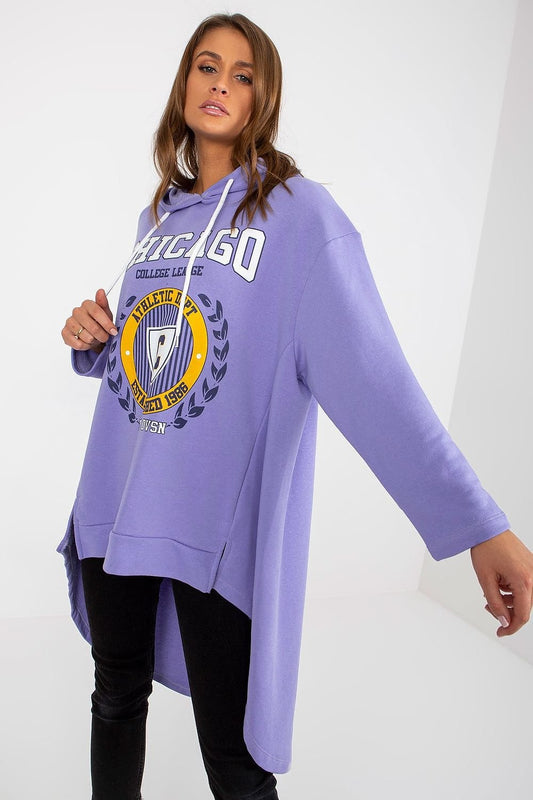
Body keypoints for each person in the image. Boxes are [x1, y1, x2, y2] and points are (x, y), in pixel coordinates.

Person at [58, 11, 533, 800]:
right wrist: (93, 339)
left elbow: (375, 378)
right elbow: (154, 357)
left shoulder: (299, 217)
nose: (220, 84)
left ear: (263, 98)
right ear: (183, 84)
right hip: (114, 502)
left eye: (241, 74)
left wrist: (478, 523)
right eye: (206, 66)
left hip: (212, 526)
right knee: (114, 696)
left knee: (235, 761)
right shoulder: (155, 219)